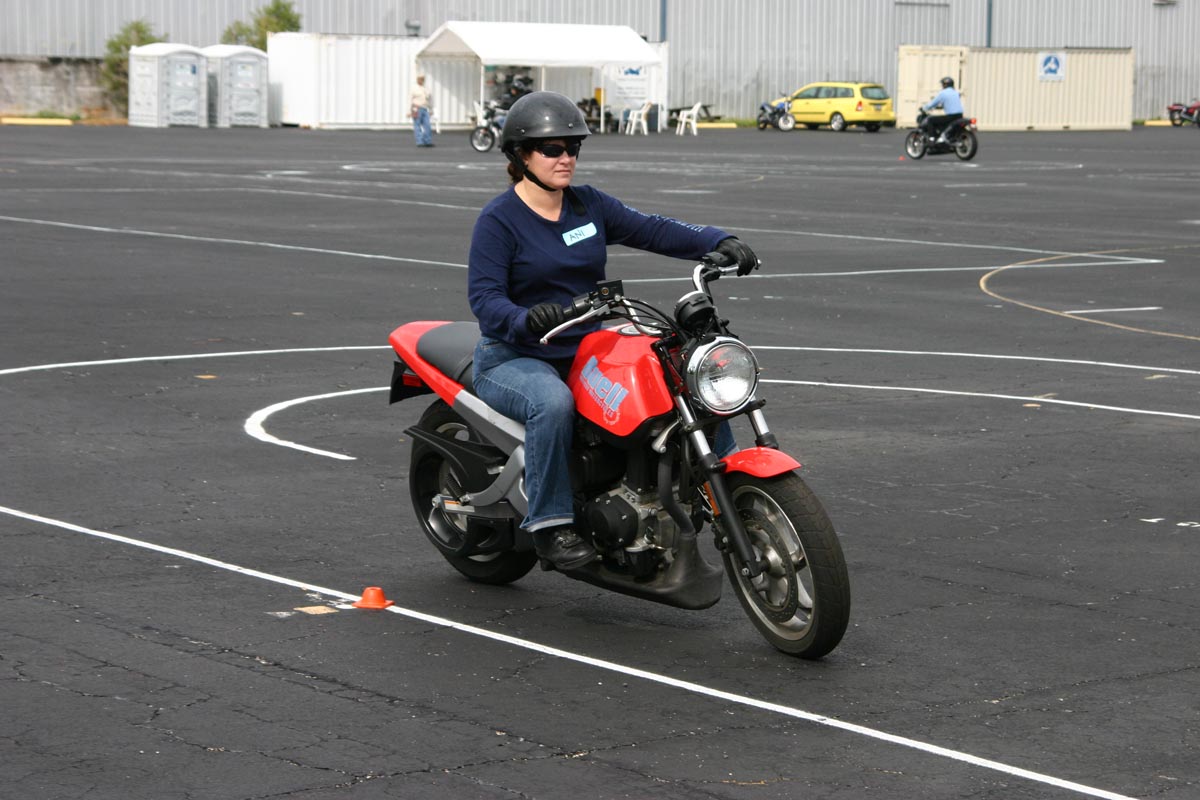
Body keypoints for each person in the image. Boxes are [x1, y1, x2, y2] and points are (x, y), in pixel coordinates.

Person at [467, 91, 759, 571]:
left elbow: (653, 229)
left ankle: (724, 483)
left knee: (676, 370)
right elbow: (485, 299)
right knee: (551, 403)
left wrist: (717, 240)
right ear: (521, 156)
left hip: (583, 345)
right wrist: (526, 318)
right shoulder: (499, 221)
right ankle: (550, 526)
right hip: (515, 354)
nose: (566, 158)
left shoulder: (588, 205)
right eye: (552, 149)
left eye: (573, 148)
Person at [921, 76, 964, 143]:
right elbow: (951, 103)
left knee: (930, 120)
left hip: (951, 116)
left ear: (945, 85)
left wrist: (924, 108)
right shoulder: (956, 93)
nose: (942, 86)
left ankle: (932, 139)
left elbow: (933, 103)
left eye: (943, 84)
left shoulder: (943, 93)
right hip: (959, 115)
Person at [410, 74, 433, 147]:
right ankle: (419, 142)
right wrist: (409, 111)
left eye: (422, 79)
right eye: (420, 79)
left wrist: (431, 109)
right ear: (417, 80)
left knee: (427, 125)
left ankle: (427, 141)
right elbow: (409, 99)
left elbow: (430, 99)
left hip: (425, 108)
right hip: (416, 108)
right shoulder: (414, 88)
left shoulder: (426, 89)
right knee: (417, 125)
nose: (421, 80)